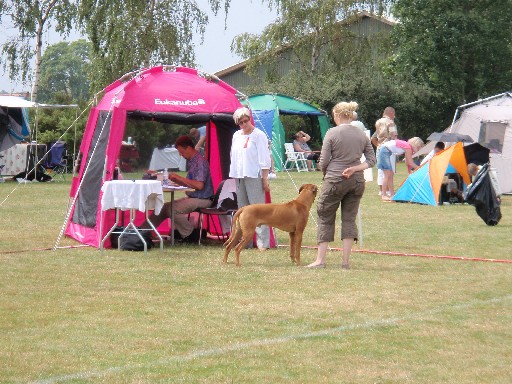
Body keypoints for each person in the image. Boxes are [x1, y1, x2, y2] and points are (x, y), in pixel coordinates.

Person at [306, 101, 376, 269]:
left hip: (335, 180)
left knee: (325, 215)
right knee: (349, 219)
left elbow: (323, 161)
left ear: (337, 115)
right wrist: (354, 169)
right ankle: (345, 262)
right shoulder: (362, 135)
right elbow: (372, 161)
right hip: (357, 181)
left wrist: (325, 173)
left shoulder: (332, 133)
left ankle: (320, 260)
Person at [141, 135, 214, 243]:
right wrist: (175, 180)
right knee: (164, 207)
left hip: (204, 199)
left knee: (172, 209)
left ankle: (190, 235)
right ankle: (142, 232)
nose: (180, 155)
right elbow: (191, 183)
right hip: (196, 196)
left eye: (181, 152)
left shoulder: (200, 162)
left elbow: (199, 185)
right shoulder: (193, 161)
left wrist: (179, 178)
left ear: (188, 148)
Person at [229, 107, 272, 250]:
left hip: (254, 175)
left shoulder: (259, 135)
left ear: (250, 119)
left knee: (258, 210)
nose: (244, 124)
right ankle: (245, 241)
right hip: (239, 176)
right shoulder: (236, 135)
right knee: (243, 210)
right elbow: (233, 156)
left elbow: (264, 158)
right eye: (240, 122)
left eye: (246, 121)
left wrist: (264, 178)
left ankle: (263, 243)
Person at [377, 137, 424, 201]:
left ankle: (392, 194)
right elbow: (410, 162)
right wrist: (420, 168)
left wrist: (409, 171)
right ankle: (384, 195)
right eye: (418, 148)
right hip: (385, 151)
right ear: (415, 145)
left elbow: (407, 162)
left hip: (386, 151)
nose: (418, 150)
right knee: (387, 174)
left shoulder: (407, 147)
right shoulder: (408, 148)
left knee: (391, 174)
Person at [371, 107, 398, 196]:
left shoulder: (378, 122)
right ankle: (389, 191)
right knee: (389, 171)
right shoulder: (390, 122)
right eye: (394, 114)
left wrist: (378, 145)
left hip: (380, 147)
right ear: (391, 113)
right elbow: (394, 135)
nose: (394, 116)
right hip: (389, 148)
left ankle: (381, 190)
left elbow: (374, 137)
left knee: (381, 171)